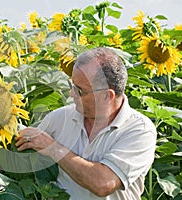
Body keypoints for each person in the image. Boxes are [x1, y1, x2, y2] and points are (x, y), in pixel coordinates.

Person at [15, 47, 157, 199]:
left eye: (79, 90)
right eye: (72, 86)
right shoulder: (60, 117)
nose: (71, 94)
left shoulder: (139, 130)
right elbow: (23, 148)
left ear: (107, 96)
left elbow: (103, 184)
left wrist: (53, 148)